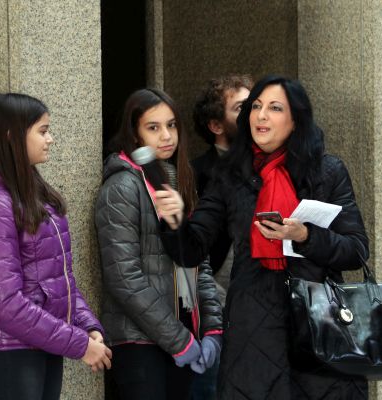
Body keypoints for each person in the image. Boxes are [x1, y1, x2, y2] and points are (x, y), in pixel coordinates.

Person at [155, 75, 369, 399]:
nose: (261, 116)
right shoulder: (230, 175)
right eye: (255, 107)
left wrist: (305, 235)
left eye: (274, 108)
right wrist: (174, 222)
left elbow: (356, 249)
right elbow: (192, 250)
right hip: (253, 331)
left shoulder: (327, 172)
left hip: (319, 325)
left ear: (296, 120)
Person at [0, 93, 112, 400]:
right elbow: (6, 302)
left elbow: (59, 279)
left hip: (43, 342)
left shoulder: (30, 194)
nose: (50, 139)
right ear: (11, 136)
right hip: (12, 350)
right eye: (42, 130)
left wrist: (87, 325)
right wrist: (78, 344)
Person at [95, 88, 223, 400]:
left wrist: (212, 330)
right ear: (134, 134)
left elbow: (198, 261)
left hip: (184, 332)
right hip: (140, 342)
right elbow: (124, 277)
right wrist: (179, 340)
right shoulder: (122, 186)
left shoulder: (176, 179)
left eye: (172, 125)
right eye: (153, 127)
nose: (166, 136)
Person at [189, 74, 252, 400]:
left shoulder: (274, 167)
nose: (255, 114)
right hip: (214, 303)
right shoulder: (195, 173)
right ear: (216, 125)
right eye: (241, 108)